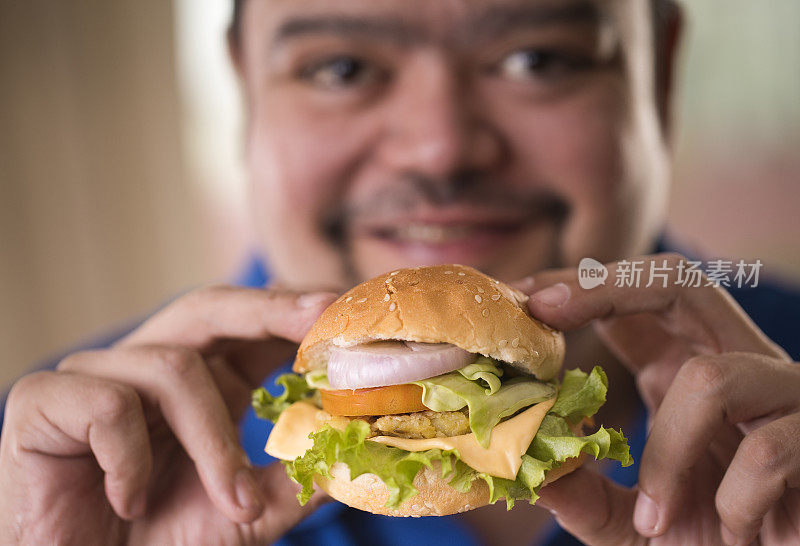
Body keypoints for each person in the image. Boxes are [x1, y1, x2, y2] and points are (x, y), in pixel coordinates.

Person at [1, 0, 799, 544]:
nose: (439, 146)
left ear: (659, 81)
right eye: (340, 69)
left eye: (537, 59)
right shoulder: (53, 463)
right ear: (247, 95)